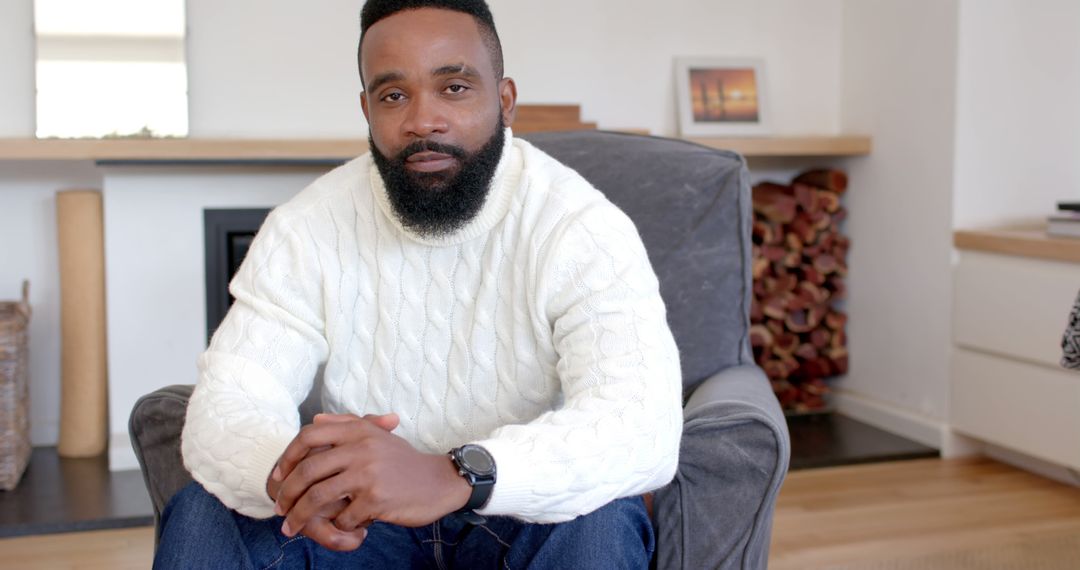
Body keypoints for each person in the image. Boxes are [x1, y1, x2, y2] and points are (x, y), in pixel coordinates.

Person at [154, 0, 682, 567]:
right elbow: (230, 400)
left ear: (504, 101)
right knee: (203, 514)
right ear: (367, 109)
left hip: (519, 517)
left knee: (599, 522)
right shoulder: (306, 228)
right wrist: (304, 479)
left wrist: (453, 474)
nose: (422, 121)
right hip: (362, 520)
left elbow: (639, 421)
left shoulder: (581, 226)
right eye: (394, 95)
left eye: (454, 88)